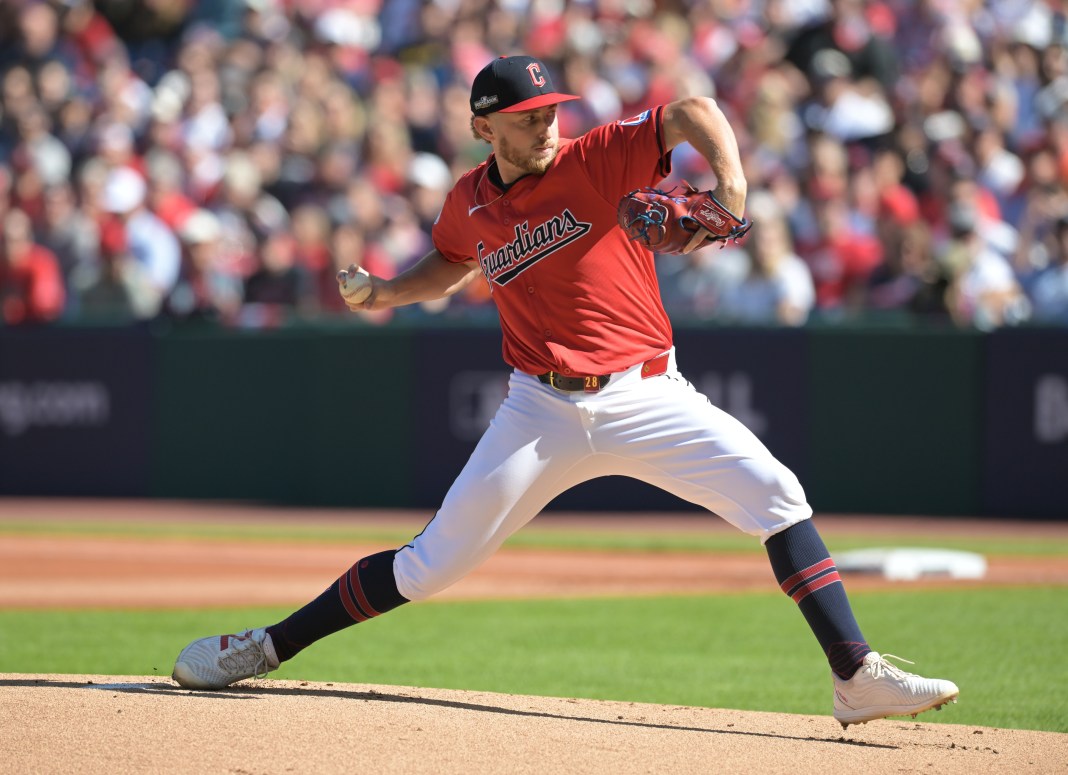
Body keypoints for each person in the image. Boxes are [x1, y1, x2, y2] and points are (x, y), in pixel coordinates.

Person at [173, 55, 959, 728]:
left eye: (550, 109)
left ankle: (855, 676)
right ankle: (267, 645)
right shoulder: (469, 202)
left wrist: (734, 187)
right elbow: (452, 259)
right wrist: (384, 292)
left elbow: (693, 108)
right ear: (487, 129)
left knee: (779, 494)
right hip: (539, 408)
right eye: (526, 115)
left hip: (648, 392)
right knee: (428, 567)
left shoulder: (601, 156)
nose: (545, 124)